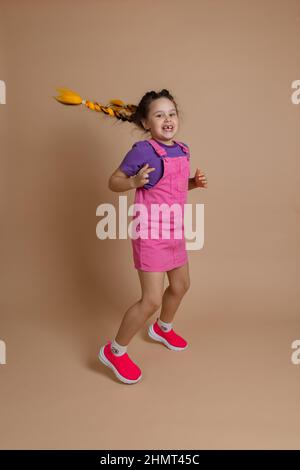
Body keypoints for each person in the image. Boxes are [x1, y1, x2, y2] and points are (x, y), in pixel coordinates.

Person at [53, 86, 208, 384]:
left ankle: (161, 329)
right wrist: (134, 180)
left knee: (181, 285)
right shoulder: (142, 151)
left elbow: (170, 187)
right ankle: (115, 351)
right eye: (159, 115)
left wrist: (193, 183)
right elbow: (114, 181)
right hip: (150, 232)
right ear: (145, 123)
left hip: (174, 229)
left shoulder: (183, 149)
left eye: (172, 114)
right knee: (150, 299)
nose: (168, 120)